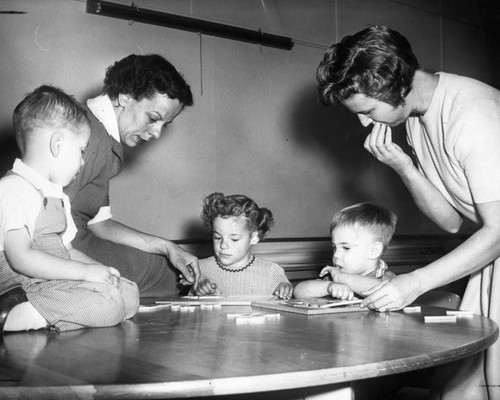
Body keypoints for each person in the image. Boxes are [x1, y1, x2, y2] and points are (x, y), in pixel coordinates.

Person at [316, 24, 500, 400]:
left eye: (367, 110)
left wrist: (413, 283)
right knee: (465, 383)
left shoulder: (474, 114)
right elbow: (451, 222)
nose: (364, 123)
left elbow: (498, 231)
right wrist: (404, 167)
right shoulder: (415, 115)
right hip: (492, 254)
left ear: (394, 84)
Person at [0, 85, 139, 332]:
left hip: (49, 283)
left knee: (127, 292)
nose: (83, 161)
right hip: (21, 287)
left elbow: (66, 251)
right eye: (81, 150)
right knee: (108, 303)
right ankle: (20, 313)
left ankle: (50, 311)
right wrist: (85, 274)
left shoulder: (58, 196)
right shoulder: (14, 189)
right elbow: (20, 258)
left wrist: (99, 270)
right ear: (58, 144)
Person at [64, 54, 200, 298]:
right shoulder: (89, 136)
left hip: (78, 243)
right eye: (153, 118)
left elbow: (100, 224)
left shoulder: (101, 136)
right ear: (125, 95)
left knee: (166, 270)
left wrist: (168, 247)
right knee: (170, 278)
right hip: (63, 253)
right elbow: (46, 226)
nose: (157, 133)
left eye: (163, 125)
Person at [184, 192, 293, 299]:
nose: (223, 245)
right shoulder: (200, 268)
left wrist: (284, 289)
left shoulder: (271, 272)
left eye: (234, 239)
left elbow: (285, 298)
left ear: (254, 238)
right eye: (218, 237)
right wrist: (198, 293)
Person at [293, 202, 396, 300]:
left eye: (346, 248)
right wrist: (328, 286)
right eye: (334, 247)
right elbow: (298, 292)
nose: (336, 255)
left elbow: (384, 292)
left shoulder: (388, 280)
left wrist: (340, 277)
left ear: (374, 251)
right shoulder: (334, 277)